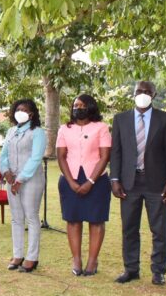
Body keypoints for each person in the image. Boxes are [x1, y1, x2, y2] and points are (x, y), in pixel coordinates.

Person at [110, 81, 166, 286]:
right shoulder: (120, 119)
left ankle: (159, 271)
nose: (143, 94)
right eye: (139, 91)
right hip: (129, 182)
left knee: (159, 229)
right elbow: (116, 152)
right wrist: (114, 179)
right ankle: (131, 269)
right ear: (133, 93)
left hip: (157, 183)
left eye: (148, 91)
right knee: (129, 228)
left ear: (154, 95)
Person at [56, 94, 111, 277]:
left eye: (82, 105)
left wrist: (91, 182)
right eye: (75, 105)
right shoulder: (64, 129)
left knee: (96, 220)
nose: (78, 108)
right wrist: (71, 181)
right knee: (73, 220)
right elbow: (61, 156)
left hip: (97, 180)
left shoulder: (101, 128)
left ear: (90, 107)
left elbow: (105, 156)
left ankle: (92, 261)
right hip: (70, 179)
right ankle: (76, 259)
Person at [0, 99, 47, 273]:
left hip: (31, 180)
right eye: (17, 109)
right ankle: (17, 255)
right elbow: (3, 154)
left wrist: (19, 179)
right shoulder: (11, 131)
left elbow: (35, 158)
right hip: (12, 180)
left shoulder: (38, 132)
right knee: (16, 218)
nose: (20, 112)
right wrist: (6, 172)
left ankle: (32, 257)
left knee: (31, 217)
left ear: (32, 114)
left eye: (24, 110)